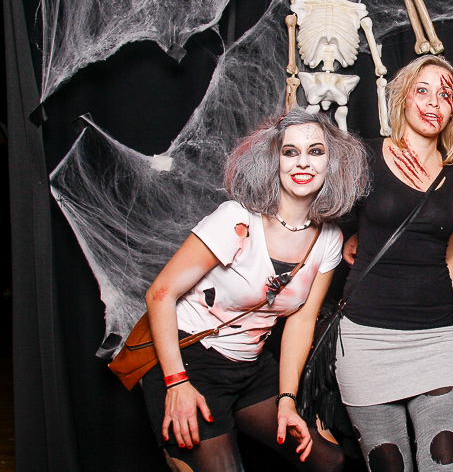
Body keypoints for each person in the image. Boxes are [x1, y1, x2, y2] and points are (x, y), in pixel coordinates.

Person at [142, 109, 369, 472]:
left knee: (329, 461)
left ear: (332, 163)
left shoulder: (329, 239)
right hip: (190, 361)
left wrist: (287, 400)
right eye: (290, 152)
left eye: (315, 151)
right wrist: (176, 382)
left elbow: (301, 321)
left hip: (251, 367)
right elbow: (160, 294)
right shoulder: (236, 220)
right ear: (273, 161)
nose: (303, 162)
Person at [337, 55, 453, 472]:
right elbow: (325, 217)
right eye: (422, 90)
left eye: (444, 95)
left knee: (446, 462)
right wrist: (353, 237)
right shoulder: (365, 157)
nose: (433, 102)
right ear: (403, 98)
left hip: (436, 338)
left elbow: (445, 243)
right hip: (366, 338)